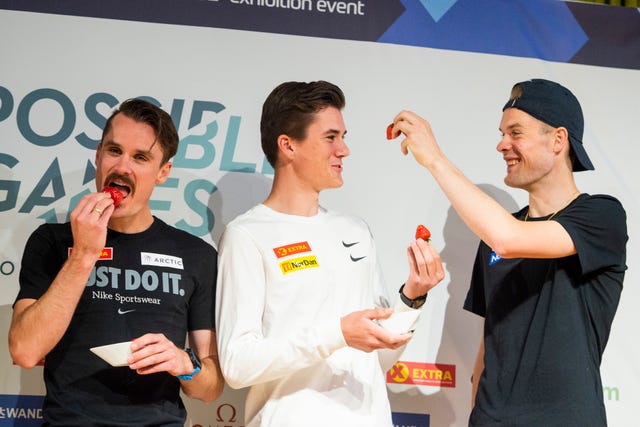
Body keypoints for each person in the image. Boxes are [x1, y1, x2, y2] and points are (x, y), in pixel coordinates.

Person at [388, 78, 627, 426]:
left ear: (558, 139)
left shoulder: (602, 215)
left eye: (516, 133)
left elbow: (508, 238)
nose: (502, 145)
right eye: (502, 133)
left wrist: (435, 159)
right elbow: (489, 345)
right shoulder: (496, 236)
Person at [215, 80, 444, 427]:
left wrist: (411, 298)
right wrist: (337, 333)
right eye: (331, 137)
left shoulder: (355, 231)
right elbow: (237, 364)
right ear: (288, 146)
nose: (344, 149)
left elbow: (379, 358)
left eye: (344, 136)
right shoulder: (247, 235)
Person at [9, 98, 223, 426]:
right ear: (98, 155)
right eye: (114, 151)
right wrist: (83, 255)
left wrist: (185, 363)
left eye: (140, 157)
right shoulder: (52, 242)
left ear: (163, 171)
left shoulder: (196, 255)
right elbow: (24, 351)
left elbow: (209, 389)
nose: (123, 167)